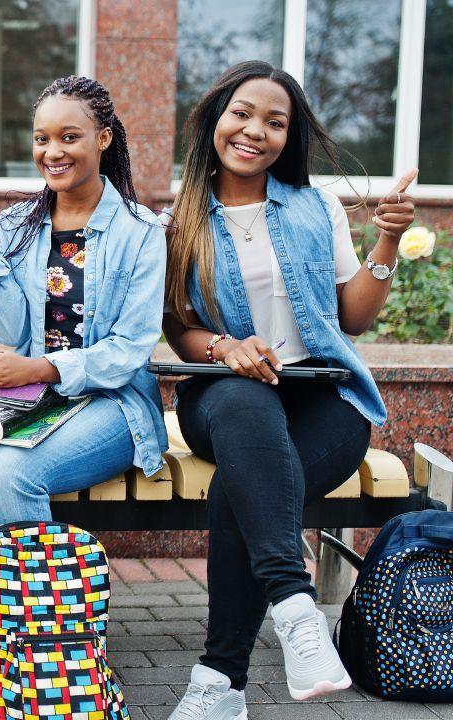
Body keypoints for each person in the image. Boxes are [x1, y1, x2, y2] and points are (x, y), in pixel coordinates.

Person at [161, 61, 417, 720]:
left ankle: (220, 687)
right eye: (243, 113)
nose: (256, 131)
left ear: (290, 136)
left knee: (238, 490)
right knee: (247, 405)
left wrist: (386, 239)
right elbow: (178, 327)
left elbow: (352, 318)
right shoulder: (181, 216)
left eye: (276, 122)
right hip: (223, 394)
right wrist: (225, 348)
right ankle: (295, 604)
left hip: (319, 397)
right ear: (215, 117)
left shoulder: (313, 206)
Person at [0, 75, 169, 720]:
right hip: (29, 397)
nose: (52, 151)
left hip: (113, 405)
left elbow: (130, 350)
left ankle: (43, 648)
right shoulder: (18, 225)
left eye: (69, 137)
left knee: (10, 472)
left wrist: (45, 367)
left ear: (103, 140)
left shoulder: (142, 231)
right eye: (41, 138)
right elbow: (7, 330)